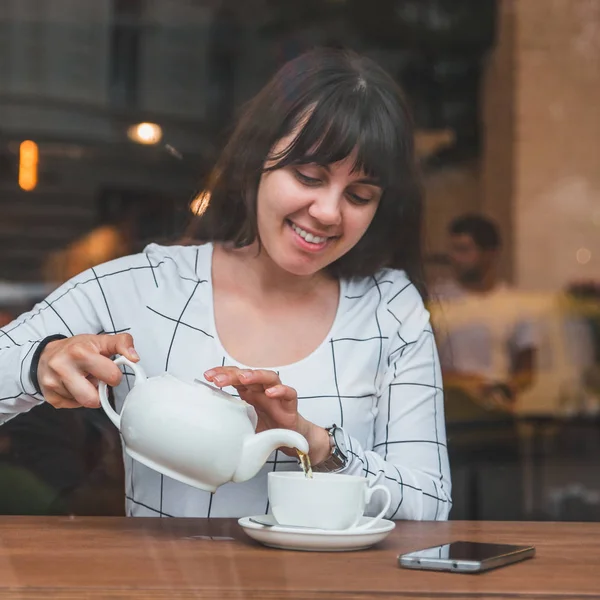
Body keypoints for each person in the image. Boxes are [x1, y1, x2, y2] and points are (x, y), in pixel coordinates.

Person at [0, 48, 451, 520]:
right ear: (259, 160)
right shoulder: (146, 287)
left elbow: (430, 505)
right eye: (308, 176)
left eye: (359, 196)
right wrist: (38, 364)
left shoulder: (389, 309)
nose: (328, 212)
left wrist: (315, 443)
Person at [430, 214, 538, 413]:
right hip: (449, 413)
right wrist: (463, 381)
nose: (455, 257)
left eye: (463, 250)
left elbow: (527, 369)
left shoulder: (515, 304)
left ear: (490, 254)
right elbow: (420, 363)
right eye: (452, 249)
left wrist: (505, 388)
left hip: (498, 413)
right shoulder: (435, 299)